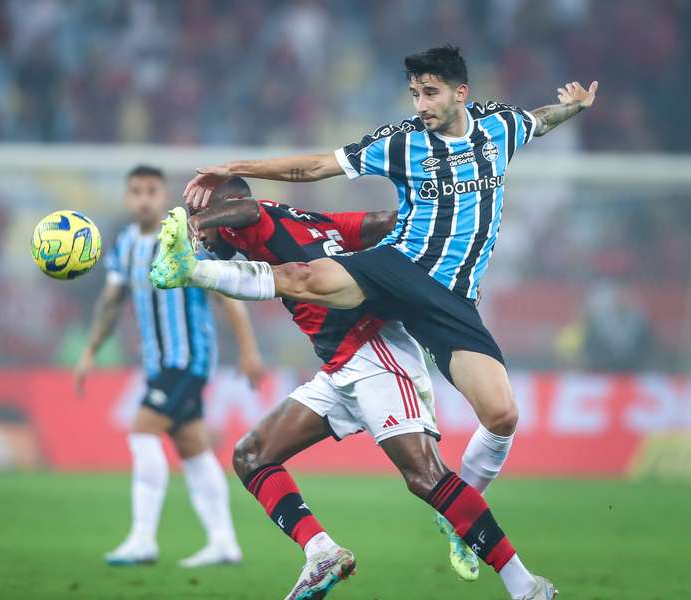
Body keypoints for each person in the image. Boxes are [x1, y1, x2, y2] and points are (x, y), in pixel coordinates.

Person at [153, 46, 594, 600]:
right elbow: (311, 168)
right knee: (254, 446)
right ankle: (334, 555)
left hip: (443, 303)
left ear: (461, 93)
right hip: (399, 269)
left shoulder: (500, 128)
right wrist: (233, 170)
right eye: (414, 93)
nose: (420, 104)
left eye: (430, 92)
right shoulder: (402, 141)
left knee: (500, 415)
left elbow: (537, 121)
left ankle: (468, 526)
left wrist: (572, 108)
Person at [169, 177, 556, 600]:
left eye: (202, 224)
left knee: (426, 476)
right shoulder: (317, 223)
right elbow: (382, 221)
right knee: (252, 455)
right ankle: (322, 553)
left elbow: (249, 210)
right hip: (339, 368)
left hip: (375, 354)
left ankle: (525, 586)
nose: (201, 235)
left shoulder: (252, 221)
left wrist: (200, 219)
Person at [74, 165, 265, 568]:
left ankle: (143, 539)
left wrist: (248, 351)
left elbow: (226, 294)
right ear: (128, 198)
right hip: (159, 363)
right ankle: (224, 542)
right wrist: (91, 349)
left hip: (188, 361)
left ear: (162, 196)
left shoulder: (181, 239)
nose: (144, 198)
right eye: (136, 191)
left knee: (142, 430)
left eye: (151, 191)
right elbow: (112, 302)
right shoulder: (125, 244)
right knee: (193, 448)